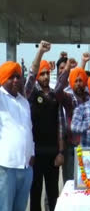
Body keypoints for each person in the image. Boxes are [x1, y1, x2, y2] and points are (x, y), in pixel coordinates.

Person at [24, 41, 64, 211]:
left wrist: (61, 152)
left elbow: (60, 126)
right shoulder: (30, 93)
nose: (46, 77)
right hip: (35, 156)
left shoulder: (55, 96)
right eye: (43, 74)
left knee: (54, 196)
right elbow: (31, 76)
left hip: (53, 155)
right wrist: (40, 52)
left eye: (48, 73)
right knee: (35, 196)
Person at [0, 61, 34, 211]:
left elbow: (28, 129)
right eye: (11, 77)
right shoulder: (1, 98)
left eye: (18, 77)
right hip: (7, 167)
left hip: (26, 166)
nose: (15, 80)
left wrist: (32, 153)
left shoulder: (24, 101)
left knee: (20, 208)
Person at [55, 57, 90, 183]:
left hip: (88, 148)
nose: (79, 83)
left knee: (87, 184)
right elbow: (58, 91)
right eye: (76, 81)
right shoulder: (68, 99)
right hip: (71, 147)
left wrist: (83, 63)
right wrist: (68, 68)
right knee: (70, 184)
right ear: (71, 83)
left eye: (81, 81)